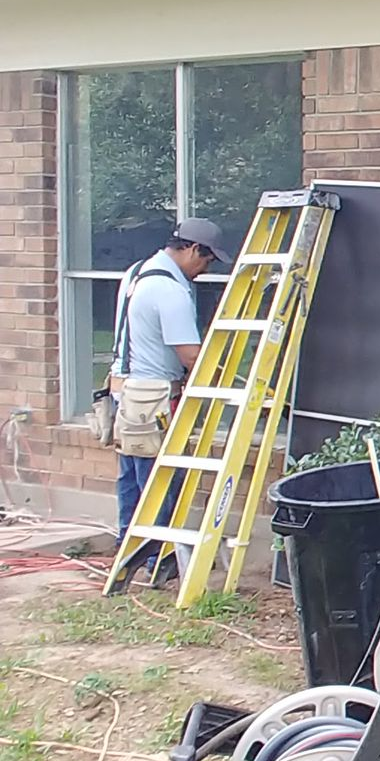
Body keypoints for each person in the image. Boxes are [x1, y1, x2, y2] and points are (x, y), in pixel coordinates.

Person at [110, 219, 232, 562]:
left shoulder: (138, 272)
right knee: (160, 479)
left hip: (127, 392)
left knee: (132, 475)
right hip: (154, 397)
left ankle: (128, 547)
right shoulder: (170, 290)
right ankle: (156, 557)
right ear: (193, 249)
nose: (204, 270)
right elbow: (191, 355)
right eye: (206, 261)